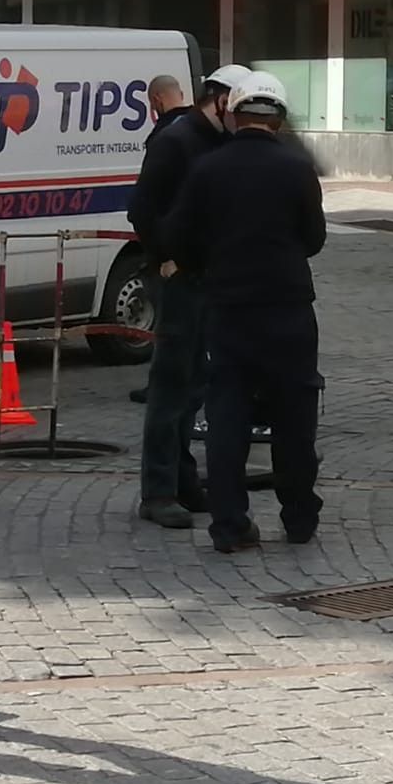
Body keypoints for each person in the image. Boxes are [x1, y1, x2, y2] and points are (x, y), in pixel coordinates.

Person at [163, 71, 326, 553]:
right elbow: (314, 239)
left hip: (229, 309)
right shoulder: (297, 168)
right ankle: (298, 516)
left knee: (227, 415)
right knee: (294, 416)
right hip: (288, 308)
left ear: (235, 114)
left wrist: (204, 264)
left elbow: (178, 236)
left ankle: (230, 525)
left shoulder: (209, 168)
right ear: (278, 118)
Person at [126, 64, 248, 528]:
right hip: (179, 277)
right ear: (217, 100)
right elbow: (141, 207)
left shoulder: (216, 141)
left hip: (205, 277)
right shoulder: (176, 141)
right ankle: (157, 491)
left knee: (194, 383)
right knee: (171, 386)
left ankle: (182, 480)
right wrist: (165, 258)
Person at [127, 74, 192, 408]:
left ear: (156, 100)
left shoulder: (166, 136)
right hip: (197, 250)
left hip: (168, 249)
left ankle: (166, 389)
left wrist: (159, 252)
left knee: (169, 326)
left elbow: (146, 202)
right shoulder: (200, 131)